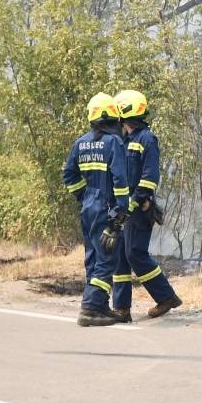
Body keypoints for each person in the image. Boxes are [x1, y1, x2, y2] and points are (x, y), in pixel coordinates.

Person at [108, 89, 183, 322]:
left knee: (135, 253)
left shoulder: (147, 139)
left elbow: (150, 178)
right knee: (120, 256)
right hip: (122, 208)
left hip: (140, 208)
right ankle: (121, 309)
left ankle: (167, 297)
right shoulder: (122, 139)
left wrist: (133, 204)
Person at [62, 93, 130, 327]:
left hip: (89, 207)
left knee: (93, 257)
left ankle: (101, 306)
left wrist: (84, 196)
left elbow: (69, 174)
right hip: (107, 207)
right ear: (113, 117)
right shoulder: (114, 142)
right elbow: (120, 180)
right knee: (107, 259)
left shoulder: (80, 142)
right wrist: (121, 210)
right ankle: (90, 307)